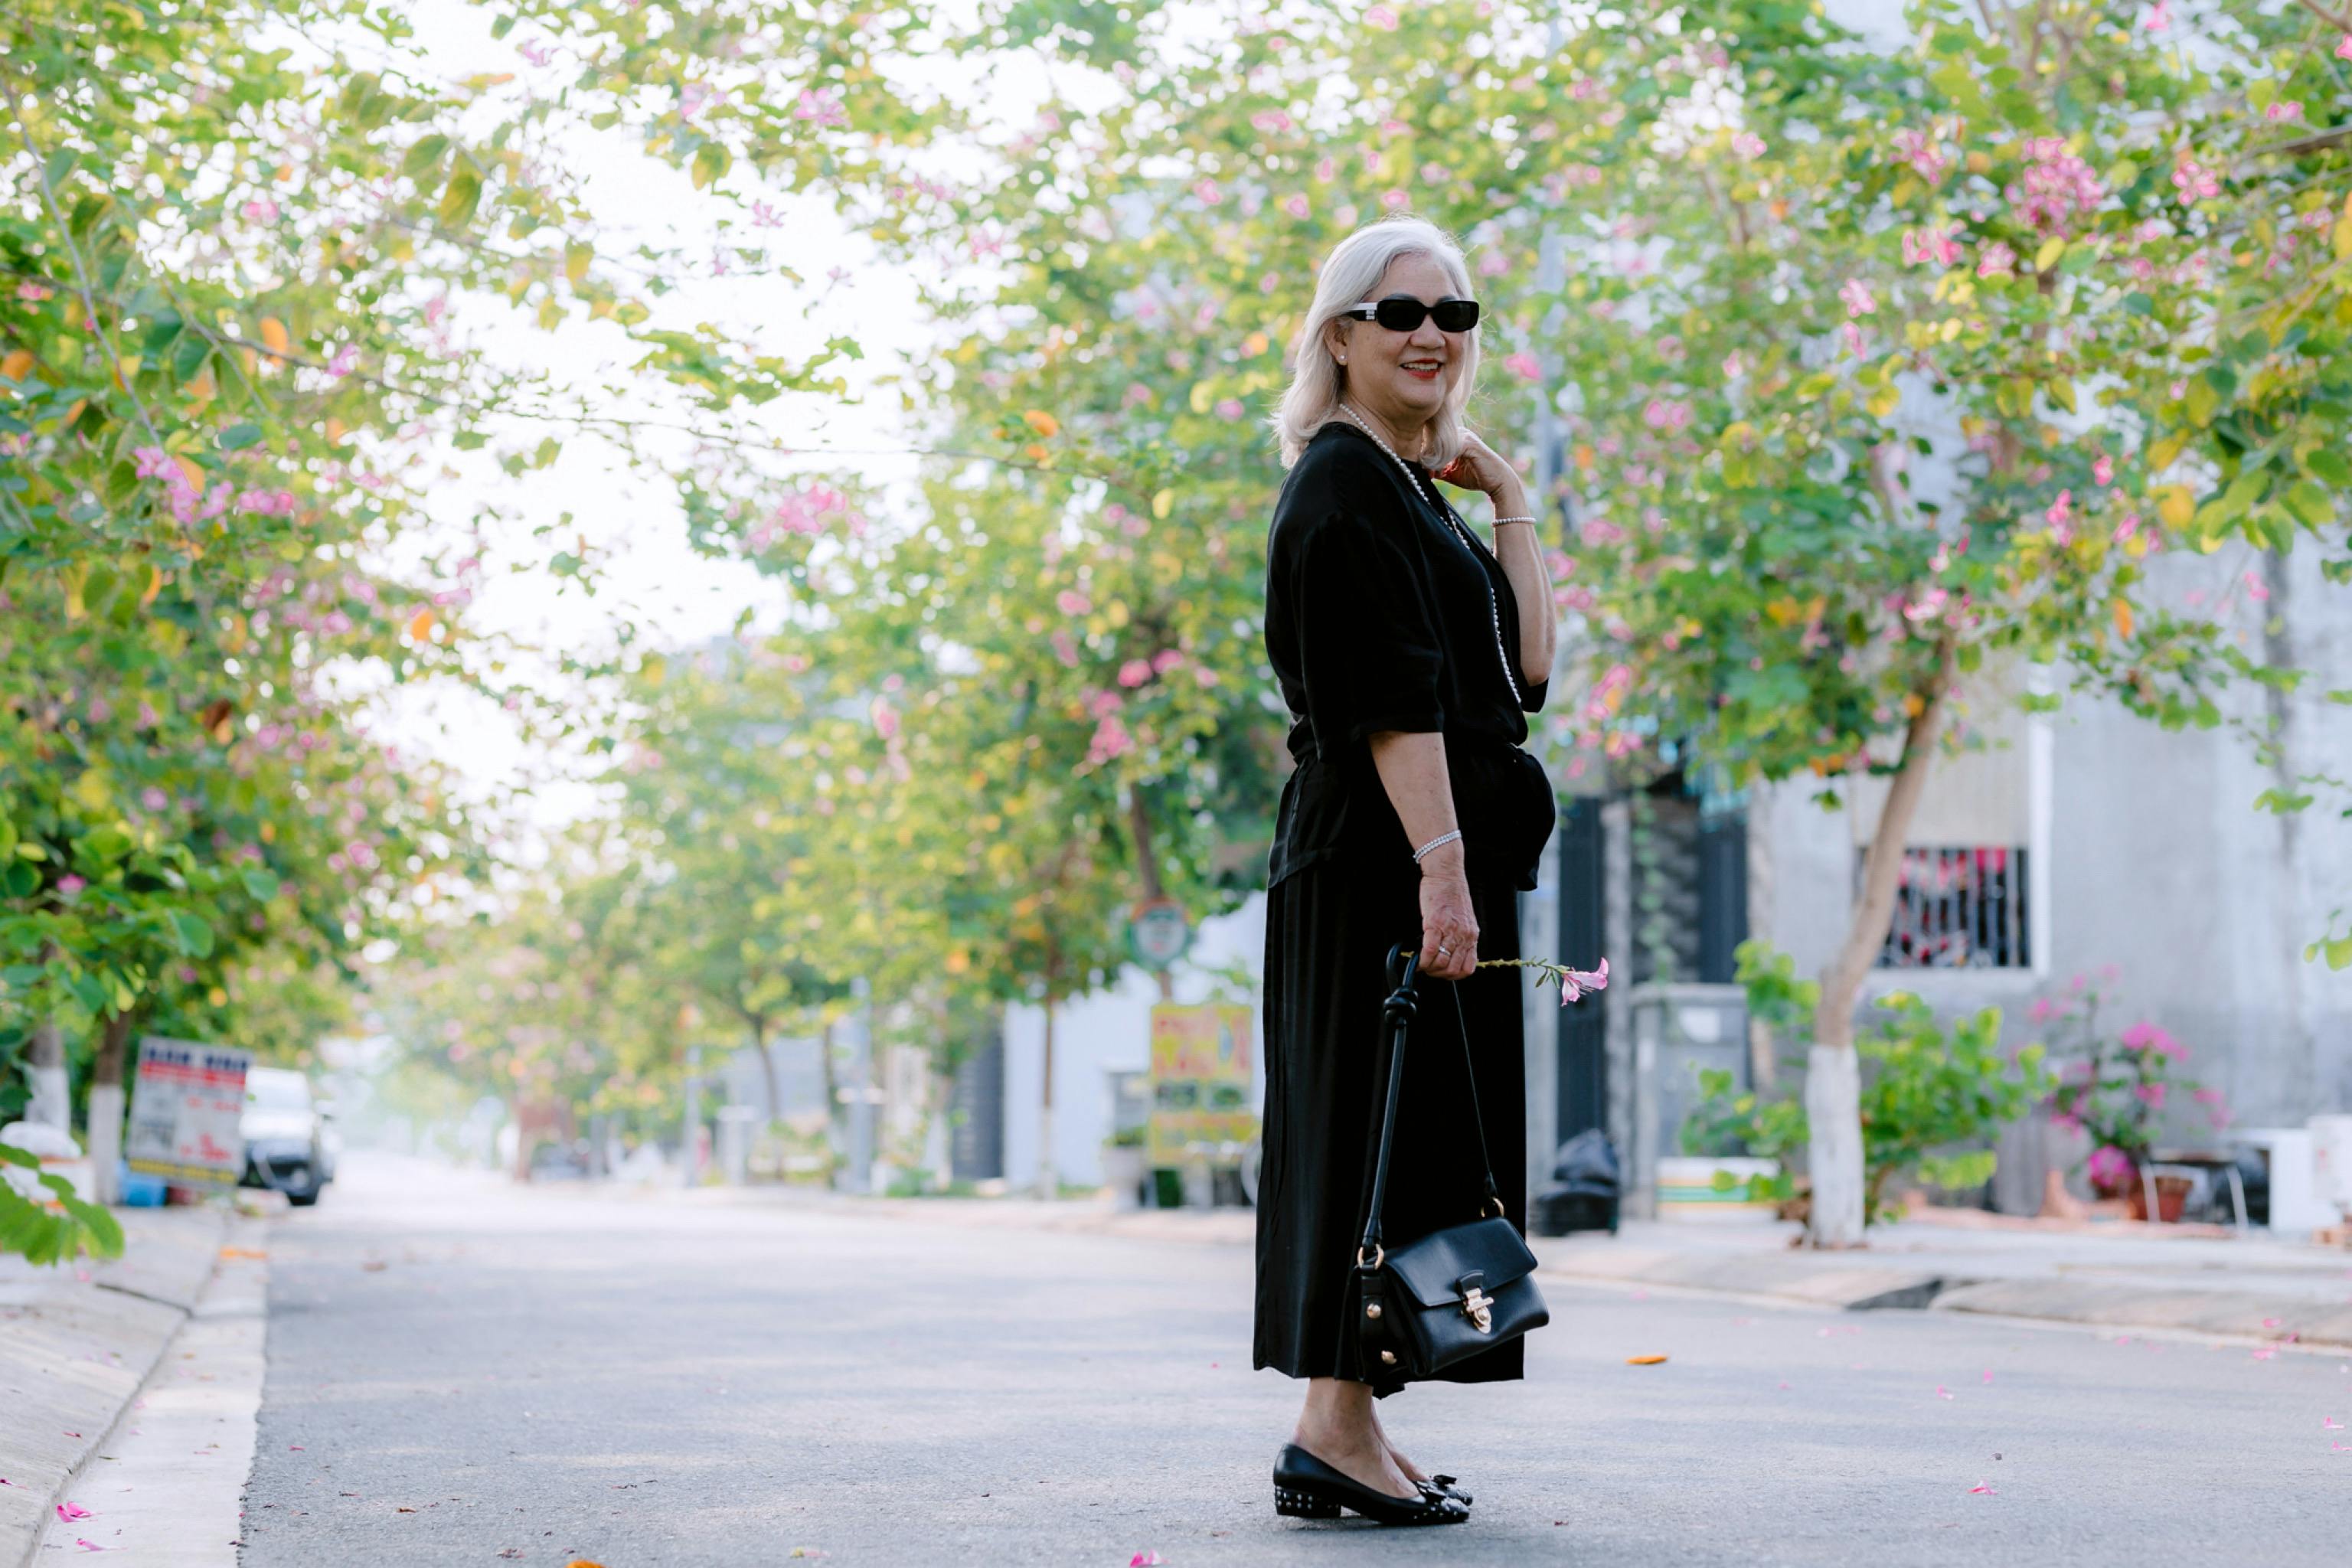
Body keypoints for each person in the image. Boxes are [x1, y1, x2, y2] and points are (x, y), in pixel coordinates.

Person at [1252, 215, 1559, 1527]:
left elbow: (1525, 674)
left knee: (1404, 1152)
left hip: (1430, 867)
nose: (1434, 333)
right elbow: (1394, 703)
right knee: (1363, 1146)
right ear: (1341, 337)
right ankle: (1330, 1428)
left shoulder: (1409, 489)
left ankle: (1348, 1426)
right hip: (1381, 871)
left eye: (1456, 314)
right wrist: (1443, 870)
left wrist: (1508, 500)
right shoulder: (1341, 484)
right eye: (1402, 313)